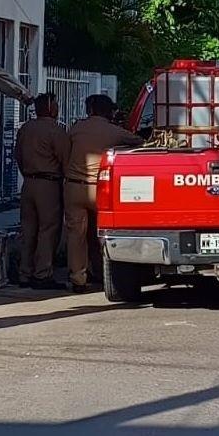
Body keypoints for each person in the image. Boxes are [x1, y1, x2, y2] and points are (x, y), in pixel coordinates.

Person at [64, 94, 144, 293]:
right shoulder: (114, 132)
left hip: (74, 187)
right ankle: (102, 272)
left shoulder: (76, 128)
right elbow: (139, 142)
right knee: (104, 232)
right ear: (109, 112)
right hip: (99, 188)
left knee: (76, 235)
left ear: (90, 110)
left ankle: (78, 279)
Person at [15, 92, 70, 290]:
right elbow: (66, 160)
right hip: (49, 184)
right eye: (55, 105)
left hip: (28, 182)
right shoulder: (56, 131)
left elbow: (18, 157)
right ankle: (42, 273)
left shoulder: (25, 129)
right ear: (50, 108)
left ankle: (24, 273)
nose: (58, 109)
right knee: (48, 229)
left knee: (28, 229)